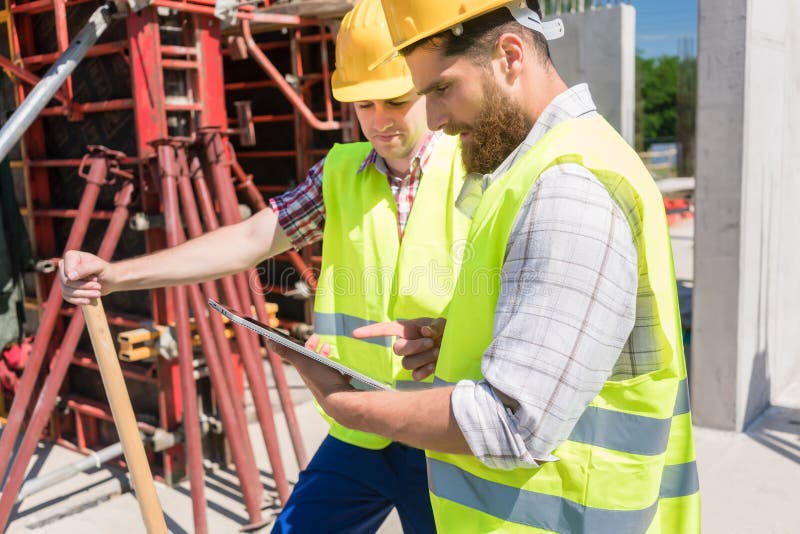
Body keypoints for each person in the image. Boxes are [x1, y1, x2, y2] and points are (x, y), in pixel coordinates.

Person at [277, 1, 701, 532]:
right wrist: (456, 341)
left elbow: (511, 423)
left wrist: (346, 403)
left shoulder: (568, 185)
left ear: (508, 56)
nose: (432, 119)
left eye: (439, 89)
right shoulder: (538, 169)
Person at [60, 0, 468, 531]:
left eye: (395, 99)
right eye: (364, 105)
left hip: (441, 433)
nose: (380, 121)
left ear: (426, 85)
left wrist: (452, 336)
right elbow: (251, 239)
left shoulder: (478, 169)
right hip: (360, 432)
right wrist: (117, 275)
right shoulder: (340, 172)